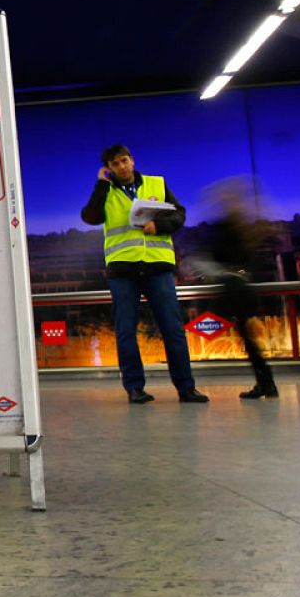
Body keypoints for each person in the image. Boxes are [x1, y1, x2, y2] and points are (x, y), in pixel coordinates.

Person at [80, 144, 207, 404]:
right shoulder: (107, 191)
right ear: (109, 168)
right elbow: (90, 217)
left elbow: (180, 214)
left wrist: (158, 225)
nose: (121, 167)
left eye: (124, 161)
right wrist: (101, 184)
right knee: (126, 331)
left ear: (132, 160)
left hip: (157, 267)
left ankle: (186, 388)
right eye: (114, 164)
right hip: (123, 269)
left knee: (173, 330)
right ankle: (135, 388)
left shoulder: (157, 184)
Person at [196, 179, 278, 399]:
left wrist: (205, 266)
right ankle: (266, 383)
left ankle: (266, 384)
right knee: (249, 339)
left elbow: (218, 256)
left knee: (204, 324)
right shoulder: (244, 227)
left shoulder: (227, 227)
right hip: (243, 287)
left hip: (234, 289)